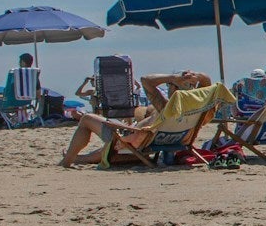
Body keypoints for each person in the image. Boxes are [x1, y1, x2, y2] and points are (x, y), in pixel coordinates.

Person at [59, 72, 214, 168]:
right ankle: (80, 158)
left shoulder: (168, 108)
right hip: (161, 141)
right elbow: (208, 82)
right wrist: (198, 77)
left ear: (175, 88)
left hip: (133, 137)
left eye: (169, 85)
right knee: (112, 145)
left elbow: (146, 80)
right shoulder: (200, 110)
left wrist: (173, 77)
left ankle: (67, 161)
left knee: (86, 119)